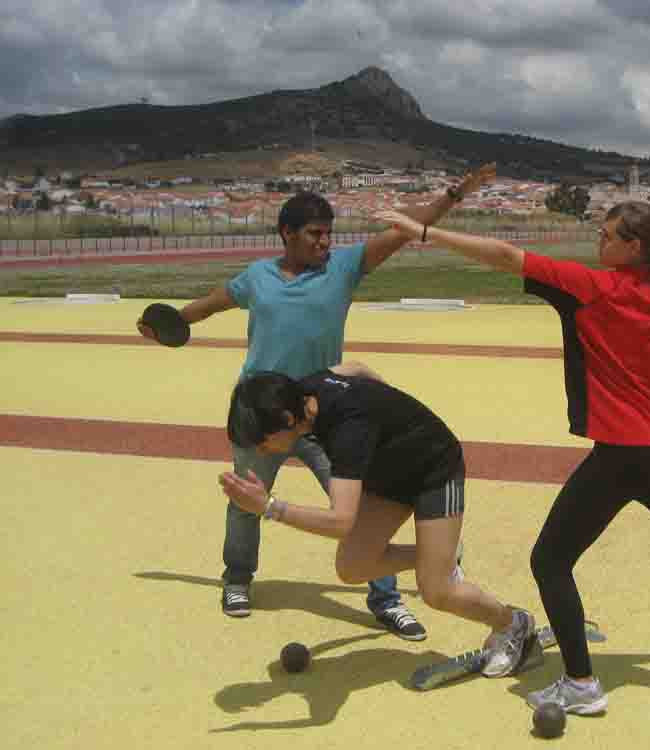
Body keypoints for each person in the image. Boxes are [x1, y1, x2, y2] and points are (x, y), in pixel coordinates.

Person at [374, 202, 650, 712]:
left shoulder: (592, 288)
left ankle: (581, 684)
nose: (599, 239)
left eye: (608, 234)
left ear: (633, 247)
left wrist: (424, 232)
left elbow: (505, 256)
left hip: (621, 456)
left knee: (550, 560)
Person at [137, 163, 495, 639]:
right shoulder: (256, 277)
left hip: (319, 415)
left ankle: (386, 599)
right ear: (286, 233)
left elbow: (404, 232)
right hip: (263, 416)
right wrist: (167, 326)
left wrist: (454, 194)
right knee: (244, 502)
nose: (324, 242)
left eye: (328, 233)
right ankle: (238, 578)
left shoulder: (343, 268)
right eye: (313, 234)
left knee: (361, 512)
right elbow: (207, 305)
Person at [218, 363, 536, 677]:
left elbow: (340, 521)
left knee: (437, 592)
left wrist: (269, 507)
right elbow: (356, 368)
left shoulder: (348, 430)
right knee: (353, 566)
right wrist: (387, 408)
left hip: (434, 470)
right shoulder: (307, 388)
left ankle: (513, 624)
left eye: (262, 442)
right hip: (390, 476)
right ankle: (441, 555)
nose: (262, 451)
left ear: (287, 420)